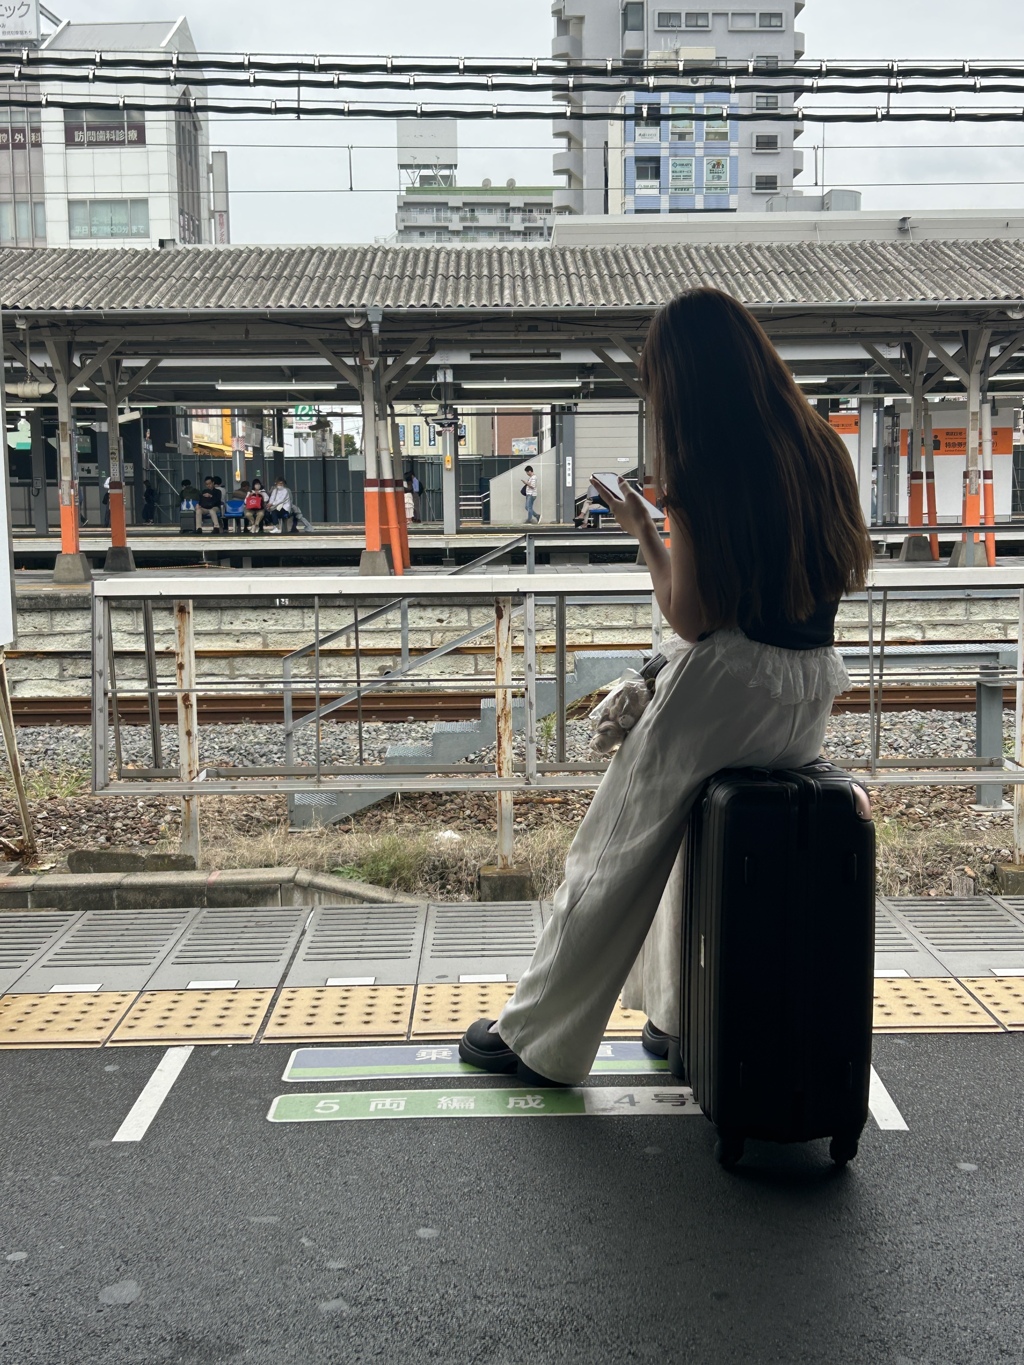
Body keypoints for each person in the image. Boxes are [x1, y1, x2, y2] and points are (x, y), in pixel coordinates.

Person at [458, 286, 872, 1088]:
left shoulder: (708, 460)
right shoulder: (820, 443)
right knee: (696, 851)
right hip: (808, 689)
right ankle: (682, 1017)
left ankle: (537, 1035)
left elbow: (691, 616)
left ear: (681, 383)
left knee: (613, 843)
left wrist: (647, 531)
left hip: (729, 685)